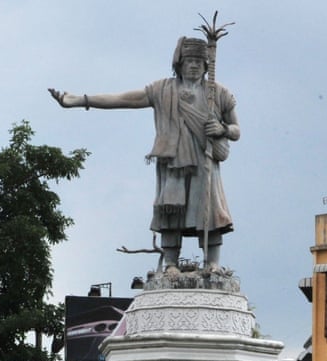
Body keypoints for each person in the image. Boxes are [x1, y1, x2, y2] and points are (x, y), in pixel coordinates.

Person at [49, 35, 240, 271]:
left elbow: (236, 129)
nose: (193, 66)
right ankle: (170, 263)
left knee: (209, 209)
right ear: (179, 63)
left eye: (198, 62)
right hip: (173, 160)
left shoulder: (218, 93)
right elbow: (124, 99)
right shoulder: (163, 89)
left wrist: (223, 128)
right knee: (171, 208)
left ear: (204, 66)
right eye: (188, 60)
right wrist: (80, 100)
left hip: (205, 159)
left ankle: (212, 263)